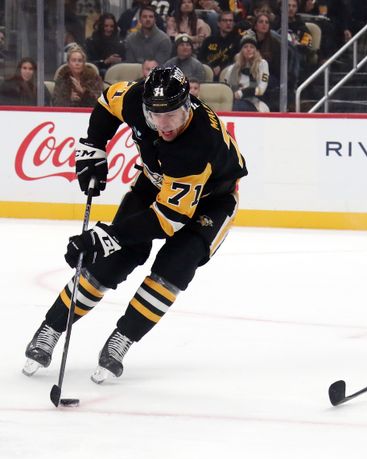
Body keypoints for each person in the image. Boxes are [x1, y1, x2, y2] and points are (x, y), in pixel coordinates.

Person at [22, 66, 248, 382]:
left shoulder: (198, 144)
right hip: (155, 184)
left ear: (188, 105)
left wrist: (106, 235)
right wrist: (94, 146)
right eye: (155, 117)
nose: (164, 126)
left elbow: (168, 220)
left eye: (173, 115)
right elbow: (105, 103)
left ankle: (122, 339)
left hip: (213, 202)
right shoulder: (133, 97)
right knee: (112, 262)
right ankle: (51, 327)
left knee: (175, 266)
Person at [221, 34, 271, 111]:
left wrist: (242, 92)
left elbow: (261, 89)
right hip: (235, 101)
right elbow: (226, 89)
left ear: (256, 50)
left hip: (255, 102)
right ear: (241, 50)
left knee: (238, 106)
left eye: (251, 47)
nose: (248, 49)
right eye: (245, 47)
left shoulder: (262, 64)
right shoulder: (232, 68)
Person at [199, 10, 241, 81]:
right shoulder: (209, 40)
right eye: (225, 20)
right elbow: (200, 59)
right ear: (218, 23)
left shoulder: (238, 41)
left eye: (231, 21)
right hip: (208, 75)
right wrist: (211, 69)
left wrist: (222, 68)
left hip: (229, 76)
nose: (228, 23)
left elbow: (238, 62)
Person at [85, 13, 126, 78]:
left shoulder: (120, 43)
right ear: (101, 26)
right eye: (106, 26)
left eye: (111, 26)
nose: (109, 29)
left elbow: (126, 60)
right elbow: (89, 64)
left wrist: (120, 61)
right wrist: (106, 61)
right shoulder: (91, 42)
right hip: (97, 74)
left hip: (118, 73)